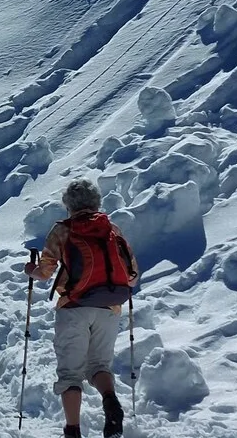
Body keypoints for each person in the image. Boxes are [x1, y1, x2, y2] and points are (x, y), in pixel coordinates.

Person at [25, 179, 139, 438]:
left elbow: (45, 272)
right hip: (110, 308)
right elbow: (132, 275)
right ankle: (109, 399)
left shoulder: (63, 230)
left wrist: (29, 270)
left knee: (70, 372)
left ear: (69, 205)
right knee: (98, 363)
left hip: (74, 307)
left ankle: (73, 430)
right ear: (96, 201)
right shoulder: (112, 229)